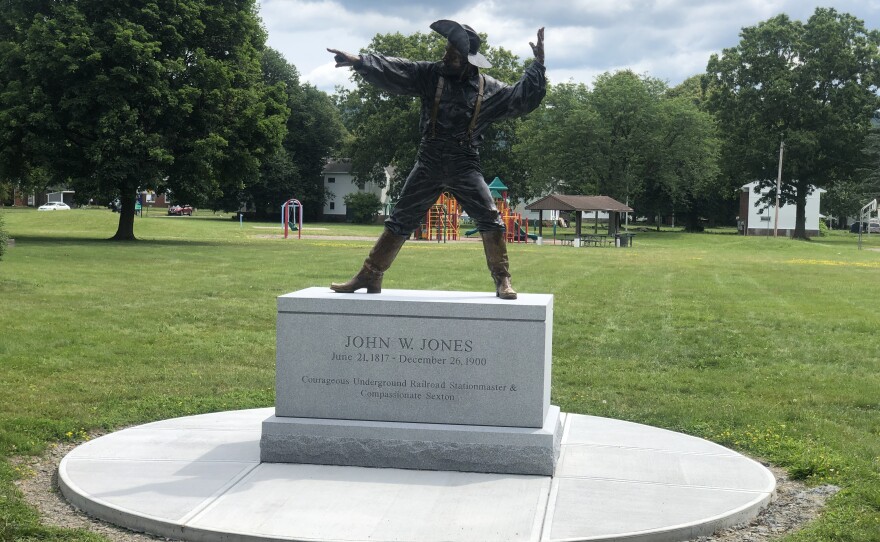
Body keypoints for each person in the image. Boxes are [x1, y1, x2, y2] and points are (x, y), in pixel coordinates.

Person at [328, 20, 546, 300]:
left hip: (464, 163)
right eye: (446, 50)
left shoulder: (490, 90)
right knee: (400, 220)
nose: (445, 56)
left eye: (452, 54)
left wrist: (537, 67)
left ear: (468, 61)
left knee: (491, 220)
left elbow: (522, 98)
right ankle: (370, 275)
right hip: (428, 160)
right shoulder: (431, 75)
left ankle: (503, 279)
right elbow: (398, 69)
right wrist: (360, 61)